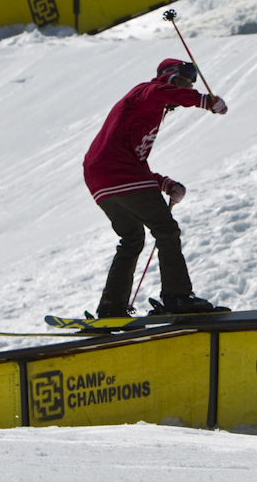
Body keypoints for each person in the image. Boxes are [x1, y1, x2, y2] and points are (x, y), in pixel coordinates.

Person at [83, 58, 228, 318]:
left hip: (100, 178)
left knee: (132, 238)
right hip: (118, 172)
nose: (185, 90)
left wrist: (165, 184)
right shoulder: (147, 92)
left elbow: (134, 162)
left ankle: (111, 308)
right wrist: (204, 101)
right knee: (166, 230)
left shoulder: (148, 111)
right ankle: (177, 296)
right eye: (182, 83)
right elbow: (160, 91)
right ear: (169, 77)